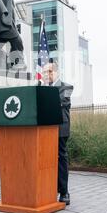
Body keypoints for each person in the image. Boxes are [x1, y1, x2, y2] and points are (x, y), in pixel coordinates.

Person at [42, 62, 74, 205]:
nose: (46, 74)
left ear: (56, 72)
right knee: (46, 159)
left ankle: (64, 191)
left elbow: (61, 101)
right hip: (45, 129)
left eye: (49, 71)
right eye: (44, 72)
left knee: (60, 158)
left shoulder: (66, 87)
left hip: (60, 129)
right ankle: (49, 189)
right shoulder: (42, 88)